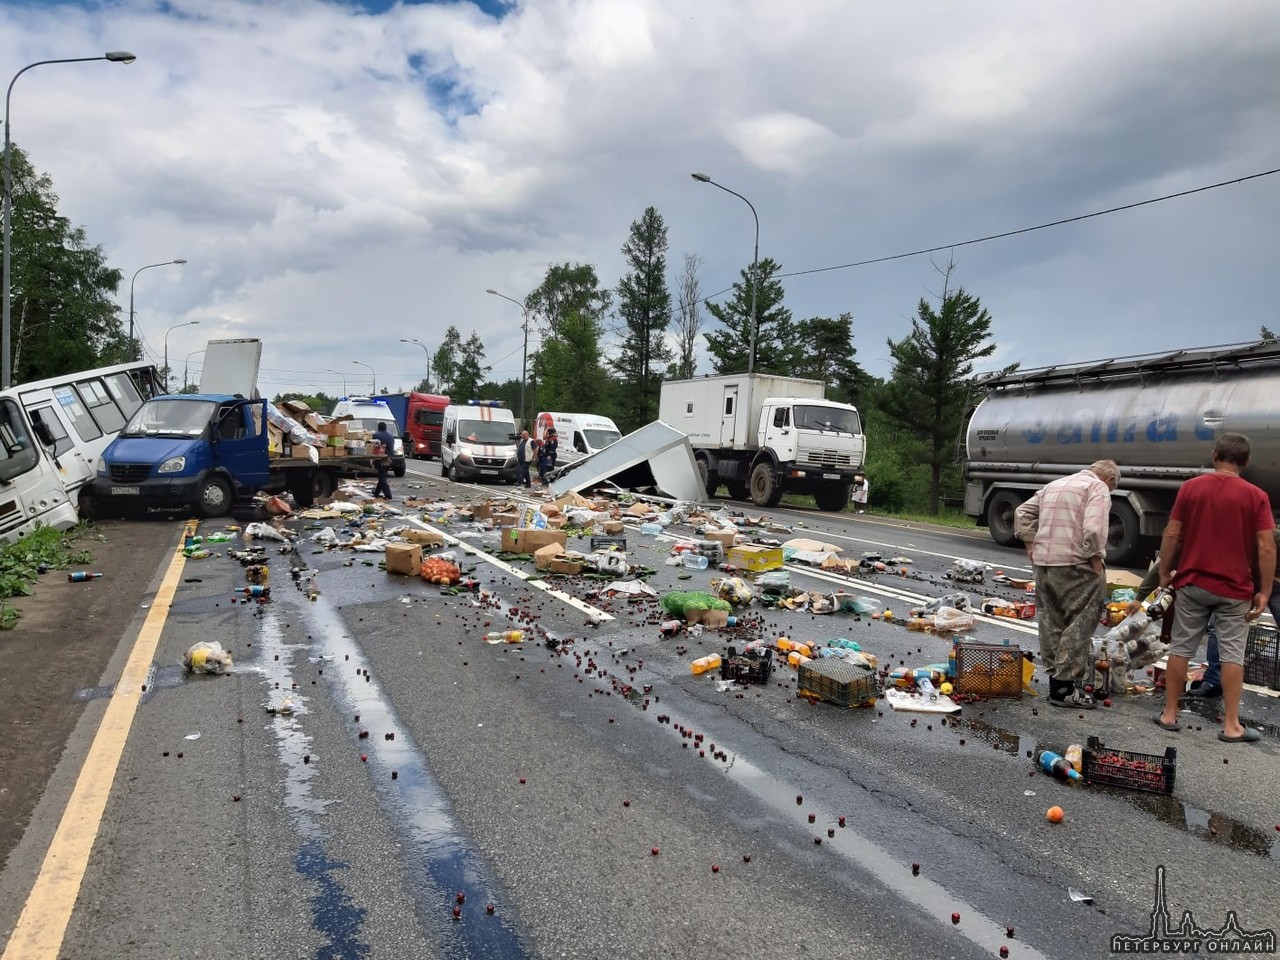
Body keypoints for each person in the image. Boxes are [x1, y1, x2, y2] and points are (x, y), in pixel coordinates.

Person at [1156, 433, 1274, 743]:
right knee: (1232, 654)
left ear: (1214, 455)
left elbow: (1172, 534)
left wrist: (1165, 572)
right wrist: (1263, 591)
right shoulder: (1256, 496)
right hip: (1235, 590)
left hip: (1193, 583)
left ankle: (1170, 714)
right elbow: (1265, 546)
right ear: (1245, 462)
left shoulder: (1190, 488)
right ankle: (1232, 725)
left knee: (1181, 648)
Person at [1014, 459, 1120, 709]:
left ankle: (1055, 681)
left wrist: (1030, 543)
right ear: (1109, 480)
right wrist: (1095, 557)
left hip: (1044, 563)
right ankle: (1066, 686)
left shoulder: (1055, 484)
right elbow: (1094, 529)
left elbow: (1022, 512)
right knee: (1080, 621)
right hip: (1075, 564)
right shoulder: (1097, 488)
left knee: (1051, 620)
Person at [371, 421, 396, 500]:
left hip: (381, 458)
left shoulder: (376, 435)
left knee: (382, 477)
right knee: (382, 475)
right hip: (389, 458)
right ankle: (376, 493)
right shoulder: (391, 436)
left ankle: (388, 494)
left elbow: (374, 446)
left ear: (378, 427)